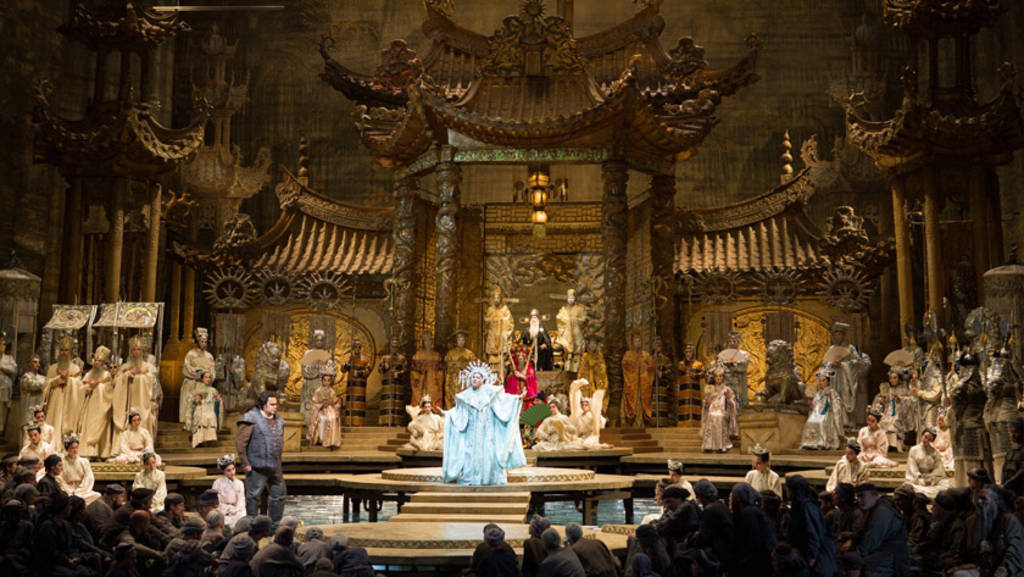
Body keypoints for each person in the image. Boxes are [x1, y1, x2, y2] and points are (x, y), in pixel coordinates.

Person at [442, 361, 526, 486]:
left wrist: (517, 398)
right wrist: (448, 414)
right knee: (470, 454)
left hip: (487, 431)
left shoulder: (491, 393)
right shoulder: (465, 396)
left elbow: (504, 402)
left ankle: (490, 477)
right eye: (473, 377)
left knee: (489, 453)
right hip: (472, 432)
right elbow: (459, 413)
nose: (475, 379)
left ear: (483, 380)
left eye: (478, 377)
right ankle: (471, 477)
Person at [237, 391, 286, 523]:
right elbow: (241, 442)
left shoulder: (279, 420)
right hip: (256, 466)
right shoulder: (250, 418)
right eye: (272, 404)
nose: (275, 407)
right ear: (263, 405)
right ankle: (253, 525)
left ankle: (274, 526)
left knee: (279, 496)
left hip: (275, 466)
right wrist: (245, 462)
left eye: (276, 404)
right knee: (253, 497)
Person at [844, 483, 910, 577]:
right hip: (881, 553)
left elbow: (871, 540)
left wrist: (857, 552)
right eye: (857, 497)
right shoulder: (873, 509)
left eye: (862, 496)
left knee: (852, 560)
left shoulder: (882, 512)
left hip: (890, 557)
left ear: (874, 495)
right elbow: (861, 532)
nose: (859, 500)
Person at [959, 484, 1024, 577]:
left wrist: (1001, 572)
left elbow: (1014, 554)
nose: (979, 502)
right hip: (978, 570)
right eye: (978, 498)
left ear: (995, 502)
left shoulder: (1009, 521)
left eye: (983, 499)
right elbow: (962, 551)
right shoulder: (970, 522)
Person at [786, 474, 836, 577]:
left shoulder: (807, 506)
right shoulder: (798, 505)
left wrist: (812, 555)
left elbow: (813, 531)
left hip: (816, 553)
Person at [822, 322, 871, 429]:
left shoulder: (850, 348)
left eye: (840, 334)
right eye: (836, 334)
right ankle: (835, 421)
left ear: (844, 336)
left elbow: (857, 362)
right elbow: (825, 364)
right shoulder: (832, 349)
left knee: (846, 398)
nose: (838, 337)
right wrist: (832, 363)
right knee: (834, 397)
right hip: (834, 378)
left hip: (846, 377)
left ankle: (848, 420)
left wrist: (844, 364)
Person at [113, 335, 161, 440]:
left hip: (143, 403)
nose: (136, 352)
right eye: (134, 350)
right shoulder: (125, 367)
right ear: (130, 352)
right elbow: (116, 382)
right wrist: (127, 375)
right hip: (128, 403)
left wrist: (141, 375)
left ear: (142, 351)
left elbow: (154, 384)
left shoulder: (149, 367)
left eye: (138, 349)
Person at [730, 483, 778, 577]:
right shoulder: (754, 511)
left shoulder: (748, 513)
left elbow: (749, 542)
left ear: (738, 499)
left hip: (757, 564)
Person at [918, 489, 966, 577]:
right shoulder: (938, 525)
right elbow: (929, 543)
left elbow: (955, 553)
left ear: (942, 509)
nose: (932, 509)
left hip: (945, 567)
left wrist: (936, 559)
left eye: (935, 506)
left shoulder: (957, 527)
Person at [76, 344, 114, 458]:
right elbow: (81, 388)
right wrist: (89, 386)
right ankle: (89, 452)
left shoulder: (106, 375)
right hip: (90, 406)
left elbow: (109, 390)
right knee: (88, 427)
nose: (97, 362)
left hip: (101, 405)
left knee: (101, 427)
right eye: (95, 360)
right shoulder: (89, 374)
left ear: (103, 362)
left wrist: (98, 387)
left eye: (100, 361)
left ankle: (102, 453)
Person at [43, 335, 83, 438]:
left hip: (69, 401)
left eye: (66, 350)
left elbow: (79, 386)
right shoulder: (52, 368)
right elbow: (46, 385)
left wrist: (68, 379)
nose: (63, 353)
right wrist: (59, 379)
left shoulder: (75, 368)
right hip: (54, 401)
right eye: (61, 350)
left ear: (70, 352)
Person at [801, 368, 845, 450]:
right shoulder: (818, 393)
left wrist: (831, 400)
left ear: (828, 381)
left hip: (828, 413)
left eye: (823, 380)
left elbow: (837, 405)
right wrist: (812, 405)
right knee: (810, 422)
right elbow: (815, 405)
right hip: (817, 414)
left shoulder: (832, 392)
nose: (821, 383)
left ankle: (822, 442)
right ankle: (810, 443)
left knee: (821, 422)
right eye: (820, 381)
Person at [182, 327, 216, 427]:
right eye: (202, 341)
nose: (204, 344)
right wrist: (198, 373)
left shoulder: (209, 356)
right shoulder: (191, 354)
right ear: (198, 342)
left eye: (205, 342)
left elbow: (213, 370)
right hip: (193, 383)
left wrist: (209, 376)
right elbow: (187, 367)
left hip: (205, 384)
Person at [701, 365, 738, 452]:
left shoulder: (727, 389)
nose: (718, 378)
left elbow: (733, 403)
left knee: (719, 417)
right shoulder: (710, 389)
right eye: (716, 376)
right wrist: (706, 403)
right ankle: (708, 446)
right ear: (714, 378)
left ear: (723, 378)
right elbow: (706, 403)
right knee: (711, 416)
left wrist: (728, 399)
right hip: (712, 411)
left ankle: (721, 446)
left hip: (723, 411)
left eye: (720, 376)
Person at [621, 332, 655, 427]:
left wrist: (646, 367)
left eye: (639, 340)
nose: (638, 342)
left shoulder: (646, 355)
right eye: (636, 340)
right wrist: (635, 367)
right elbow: (625, 366)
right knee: (631, 401)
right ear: (632, 342)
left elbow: (651, 367)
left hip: (643, 385)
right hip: (632, 384)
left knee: (642, 402)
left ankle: (642, 423)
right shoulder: (628, 354)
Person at [300, 329, 332, 427]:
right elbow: (304, 370)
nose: (319, 342)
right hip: (310, 383)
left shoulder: (326, 354)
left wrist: (324, 369)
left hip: (320, 383)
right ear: (314, 341)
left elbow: (330, 370)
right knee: (309, 404)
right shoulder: (308, 353)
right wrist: (317, 368)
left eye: (321, 340)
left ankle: (320, 424)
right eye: (317, 340)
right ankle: (307, 422)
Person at [307, 360, 343, 448]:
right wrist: (321, 405)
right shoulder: (318, 391)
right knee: (322, 419)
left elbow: (336, 403)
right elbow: (314, 403)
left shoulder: (332, 391)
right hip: (321, 410)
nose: (326, 382)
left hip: (330, 410)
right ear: (322, 380)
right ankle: (321, 439)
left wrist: (337, 404)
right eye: (325, 380)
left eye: (328, 380)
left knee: (332, 418)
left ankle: (331, 440)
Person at [906, 428, 950, 498]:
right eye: (925, 437)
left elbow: (938, 467)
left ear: (931, 440)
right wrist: (921, 479)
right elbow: (913, 468)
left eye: (929, 439)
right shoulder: (914, 450)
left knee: (946, 484)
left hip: (931, 477)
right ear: (922, 435)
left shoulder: (934, 451)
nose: (926, 440)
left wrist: (931, 479)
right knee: (909, 487)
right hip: (918, 478)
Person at [568, 378, 609, 449]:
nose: (584, 406)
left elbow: (599, 424)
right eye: (582, 405)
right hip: (581, 437)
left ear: (589, 405)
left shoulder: (592, 414)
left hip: (591, 436)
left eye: (586, 405)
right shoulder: (579, 414)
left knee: (587, 444)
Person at [483, 287, 515, 372]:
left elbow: (510, 323)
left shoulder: (505, 310)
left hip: (501, 338)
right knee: (492, 359)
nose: (496, 300)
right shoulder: (490, 310)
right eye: (495, 298)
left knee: (502, 359)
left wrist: (502, 323)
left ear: (501, 299)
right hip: (493, 338)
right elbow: (486, 323)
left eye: (498, 298)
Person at [58, 436, 99, 502]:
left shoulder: (84, 461)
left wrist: (79, 490)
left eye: (76, 447)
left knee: (97, 496)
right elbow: (59, 479)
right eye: (72, 448)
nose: (75, 450)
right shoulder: (62, 462)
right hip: (67, 490)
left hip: (82, 491)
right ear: (67, 449)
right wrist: (69, 490)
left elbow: (89, 477)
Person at [556, 289, 588, 373]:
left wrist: (575, 320)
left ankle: (577, 368)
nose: (570, 299)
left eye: (572, 297)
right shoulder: (563, 309)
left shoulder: (580, 309)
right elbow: (559, 319)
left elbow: (584, 319)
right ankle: (567, 367)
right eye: (569, 297)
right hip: (567, 333)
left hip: (577, 332)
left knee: (577, 351)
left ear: (575, 298)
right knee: (567, 352)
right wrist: (566, 321)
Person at [410, 333, 445, 411]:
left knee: (434, 396)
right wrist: (420, 374)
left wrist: (437, 380)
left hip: (433, 382)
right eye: (426, 340)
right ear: (423, 342)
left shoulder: (436, 355)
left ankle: (433, 412)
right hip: (421, 384)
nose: (428, 342)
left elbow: (440, 372)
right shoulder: (418, 355)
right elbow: (414, 372)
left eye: (429, 340)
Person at [717, 330, 751, 409]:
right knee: (725, 404)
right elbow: (719, 366)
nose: (733, 342)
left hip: (739, 383)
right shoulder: (722, 354)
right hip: (726, 381)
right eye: (731, 340)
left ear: (739, 341)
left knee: (738, 403)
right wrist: (726, 363)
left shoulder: (744, 354)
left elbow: (744, 365)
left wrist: (734, 363)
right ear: (728, 341)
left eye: (735, 340)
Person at [444, 330, 477, 409]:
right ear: (456, 341)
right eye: (459, 340)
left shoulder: (469, 353)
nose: (461, 342)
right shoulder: (451, 353)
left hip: (465, 380)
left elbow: (473, 366)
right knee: (453, 397)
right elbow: (448, 365)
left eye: (463, 340)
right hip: (454, 380)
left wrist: (463, 365)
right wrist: (455, 365)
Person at [214, 454, 247, 527]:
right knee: (220, 517)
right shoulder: (218, 483)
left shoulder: (239, 483)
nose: (232, 472)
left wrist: (236, 509)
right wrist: (228, 509)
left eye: (233, 469)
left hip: (236, 509)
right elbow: (217, 501)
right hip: (224, 509)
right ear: (223, 471)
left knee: (242, 516)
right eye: (228, 470)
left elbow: (241, 499)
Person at [578, 337, 609, 413]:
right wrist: (588, 366)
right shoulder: (585, 356)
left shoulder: (599, 356)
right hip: (588, 383)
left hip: (597, 382)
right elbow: (581, 371)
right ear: (588, 345)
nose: (593, 345)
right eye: (591, 343)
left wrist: (596, 365)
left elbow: (603, 369)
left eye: (594, 343)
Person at [191, 370, 221, 447]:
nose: (208, 379)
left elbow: (217, 400)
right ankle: (199, 441)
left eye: (209, 377)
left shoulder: (213, 390)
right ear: (202, 379)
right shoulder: (198, 388)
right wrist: (196, 399)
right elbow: (191, 400)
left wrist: (218, 399)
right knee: (201, 422)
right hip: (201, 409)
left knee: (210, 420)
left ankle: (207, 441)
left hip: (209, 409)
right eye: (206, 377)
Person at [677, 343, 704, 425]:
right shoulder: (681, 363)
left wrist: (696, 375)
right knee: (685, 406)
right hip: (685, 390)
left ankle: (696, 423)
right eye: (686, 352)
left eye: (690, 352)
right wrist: (687, 363)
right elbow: (681, 369)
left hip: (694, 390)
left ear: (693, 353)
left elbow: (703, 373)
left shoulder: (698, 364)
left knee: (695, 406)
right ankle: (683, 423)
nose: (688, 354)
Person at [505, 345, 539, 409]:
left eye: (522, 355)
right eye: (518, 356)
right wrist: (514, 376)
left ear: (525, 357)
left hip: (526, 396)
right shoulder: (512, 368)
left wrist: (522, 376)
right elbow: (507, 381)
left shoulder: (529, 368)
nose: (520, 357)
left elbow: (532, 380)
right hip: (515, 398)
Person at [19, 354, 45, 428]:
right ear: (29, 364)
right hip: (28, 411)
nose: (37, 364)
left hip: (39, 411)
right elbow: (33, 385)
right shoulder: (26, 377)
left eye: (38, 362)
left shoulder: (42, 377)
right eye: (35, 362)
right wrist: (45, 383)